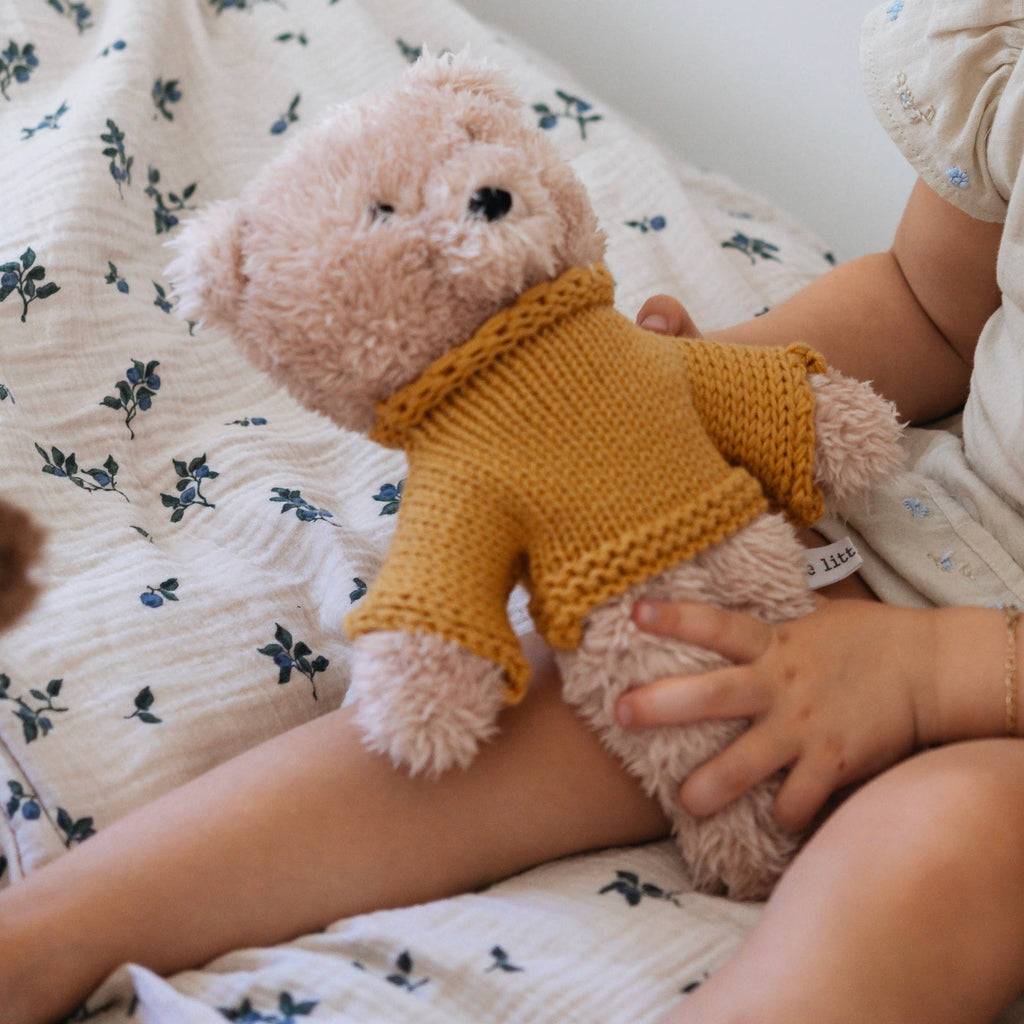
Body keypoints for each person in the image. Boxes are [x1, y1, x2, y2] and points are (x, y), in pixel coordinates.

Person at [3, 3, 1024, 1023]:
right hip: (921, 539)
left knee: (953, 837)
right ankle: (53, 930)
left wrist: (938, 672)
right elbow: (928, 303)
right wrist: (680, 384)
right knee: (585, 685)